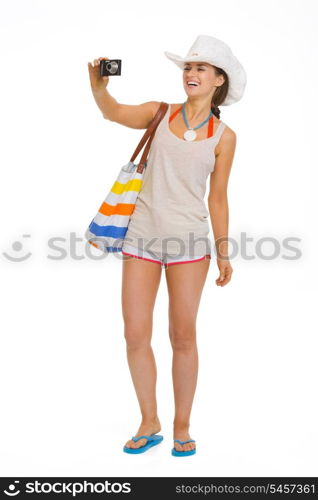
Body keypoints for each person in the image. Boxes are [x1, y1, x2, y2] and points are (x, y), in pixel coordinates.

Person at [87, 34, 247, 456]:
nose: (191, 74)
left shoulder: (224, 137)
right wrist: (99, 88)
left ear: (218, 80)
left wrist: (224, 250)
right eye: (188, 68)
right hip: (141, 235)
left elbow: (218, 196)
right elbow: (114, 112)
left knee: (183, 337)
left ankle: (182, 425)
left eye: (201, 69)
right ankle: (149, 420)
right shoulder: (160, 113)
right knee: (135, 334)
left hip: (190, 243)